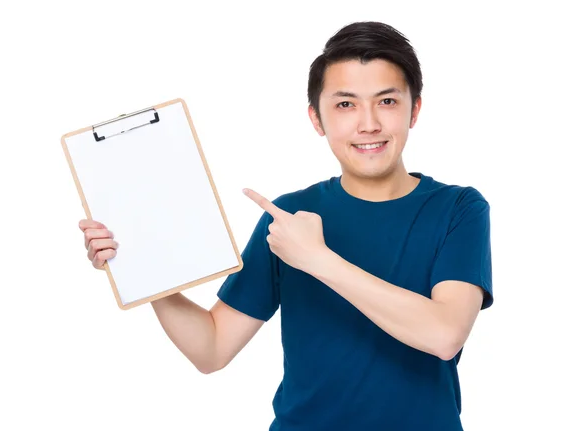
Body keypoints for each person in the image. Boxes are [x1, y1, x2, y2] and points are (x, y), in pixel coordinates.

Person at [79, 21, 493, 431]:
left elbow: (444, 334)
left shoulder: (458, 208)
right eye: (345, 104)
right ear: (317, 119)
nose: (368, 123)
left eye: (386, 101)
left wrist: (318, 259)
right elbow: (212, 349)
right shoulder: (288, 217)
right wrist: (143, 265)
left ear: (413, 109)